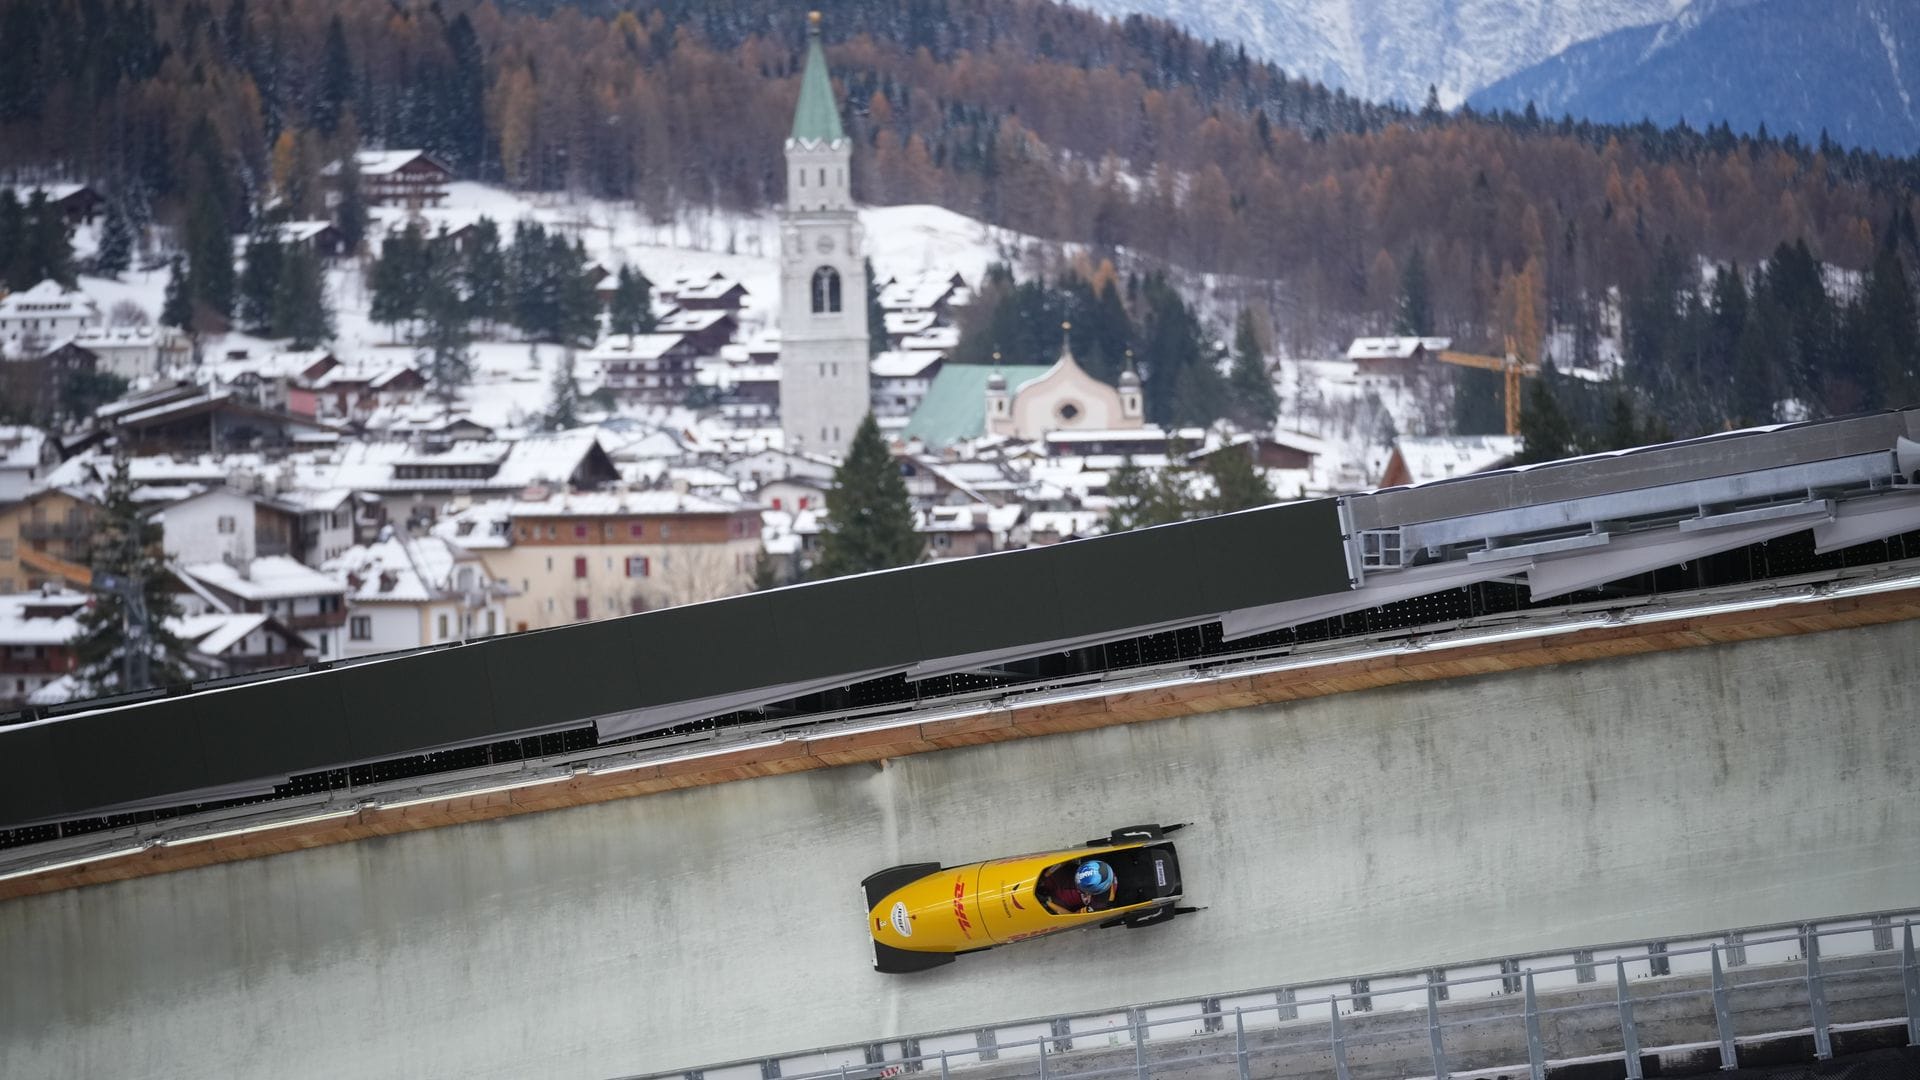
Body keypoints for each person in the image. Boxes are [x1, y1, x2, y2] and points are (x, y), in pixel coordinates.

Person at [1041, 859, 1118, 914]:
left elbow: (1072, 916)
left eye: (1081, 889)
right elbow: (1065, 860)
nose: (1078, 889)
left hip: (1058, 901)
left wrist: (1047, 903)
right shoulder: (1092, 863)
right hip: (1058, 877)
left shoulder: (1100, 903)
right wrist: (1046, 874)